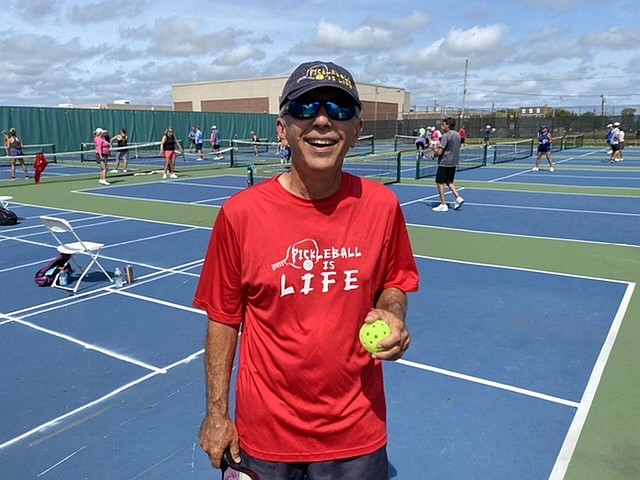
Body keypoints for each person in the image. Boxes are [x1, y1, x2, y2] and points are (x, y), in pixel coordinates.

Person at [193, 60, 420, 480]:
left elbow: (394, 282)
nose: (321, 121)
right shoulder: (239, 215)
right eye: (304, 108)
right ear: (282, 129)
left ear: (356, 129)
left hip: (356, 434)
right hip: (264, 438)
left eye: (338, 109)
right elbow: (224, 319)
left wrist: (394, 312)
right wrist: (216, 415)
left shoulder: (382, 207)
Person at [432, 117, 464, 212]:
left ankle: (443, 204)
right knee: (449, 181)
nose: (442, 126)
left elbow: (440, 152)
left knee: (440, 183)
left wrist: (434, 154)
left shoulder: (445, 136)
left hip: (445, 163)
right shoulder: (457, 135)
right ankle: (458, 197)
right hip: (453, 163)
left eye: (443, 124)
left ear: (448, 125)